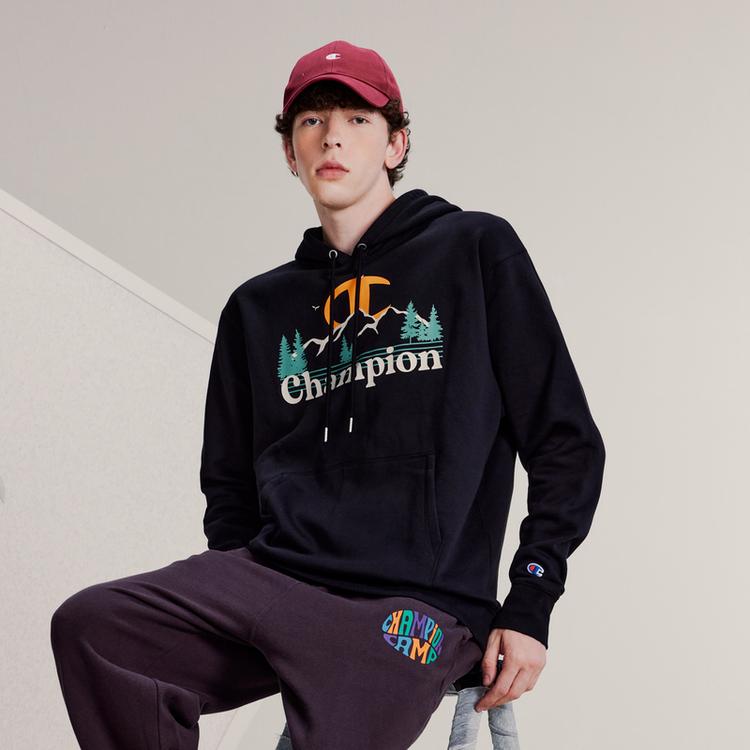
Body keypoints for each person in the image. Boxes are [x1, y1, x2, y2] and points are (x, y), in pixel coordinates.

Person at [49, 39, 606, 749]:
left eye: (357, 119)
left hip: (414, 603)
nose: (332, 137)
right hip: (278, 578)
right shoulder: (257, 308)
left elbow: (566, 443)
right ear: (290, 152)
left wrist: (530, 601)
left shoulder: (474, 250)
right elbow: (229, 483)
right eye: (311, 121)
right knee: (97, 627)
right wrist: (240, 592)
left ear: (396, 143)